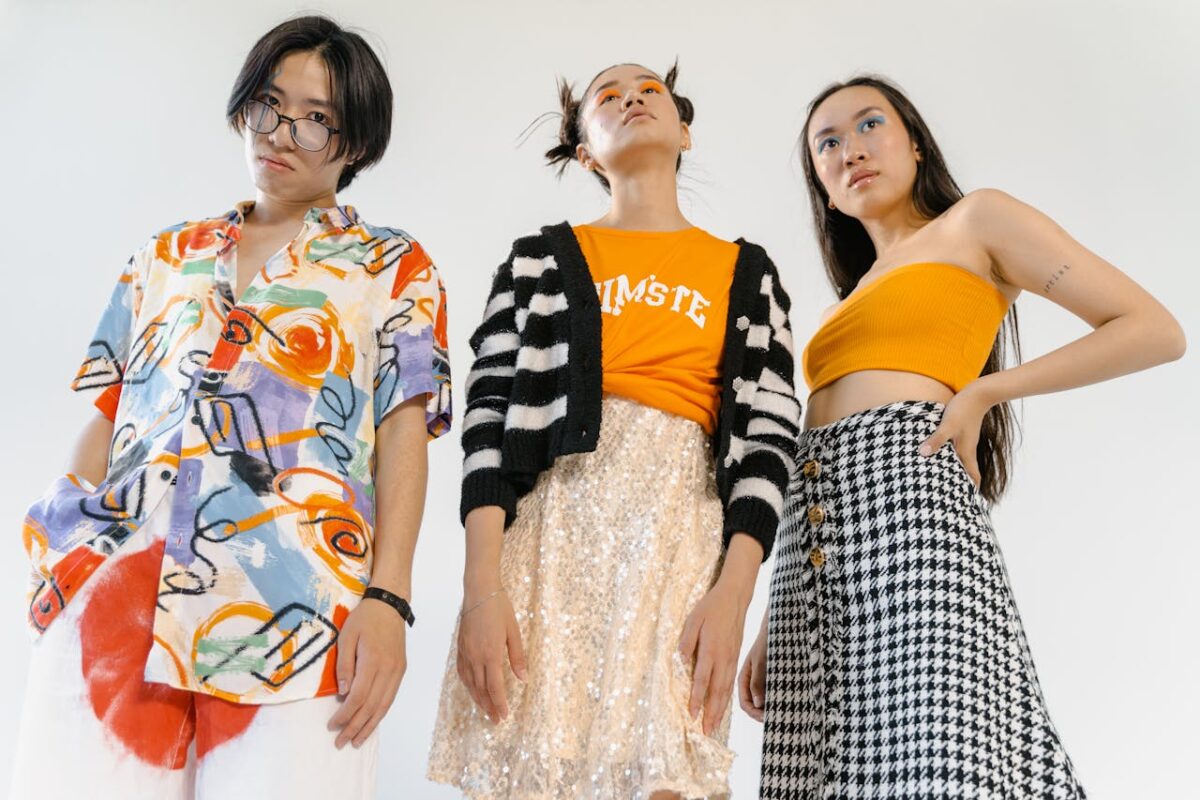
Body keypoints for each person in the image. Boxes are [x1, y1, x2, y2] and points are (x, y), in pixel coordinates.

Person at [12, 15, 451, 799]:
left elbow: (404, 430)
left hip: (295, 617)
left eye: (317, 119)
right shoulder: (164, 254)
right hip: (120, 598)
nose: (282, 132)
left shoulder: (394, 267)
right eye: (268, 104)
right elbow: (113, 412)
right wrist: (65, 548)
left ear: (357, 144)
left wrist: (389, 599)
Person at [737, 74, 1186, 798]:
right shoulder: (839, 305)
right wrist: (773, 612)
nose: (850, 148)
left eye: (869, 125)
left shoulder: (976, 222)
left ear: (913, 141)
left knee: (947, 749)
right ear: (821, 184)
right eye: (828, 143)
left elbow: (1154, 330)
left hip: (912, 506)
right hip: (812, 547)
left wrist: (986, 389)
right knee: (829, 776)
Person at [426, 62, 801, 799]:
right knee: (537, 775)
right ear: (585, 153)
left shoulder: (745, 273)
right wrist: (480, 590)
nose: (631, 97)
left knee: (671, 775)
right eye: (607, 96)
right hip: (550, 537)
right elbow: (489, 425)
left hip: (679, 533)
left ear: (683, 129)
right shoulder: (537, 262)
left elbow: (769, 434)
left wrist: (735, 593)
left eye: (648, 91)